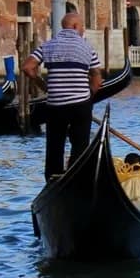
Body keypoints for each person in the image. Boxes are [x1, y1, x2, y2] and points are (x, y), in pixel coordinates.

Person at [23, 12, 102, 180]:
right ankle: (77, 177)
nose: (83, 30)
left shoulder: (48, 45)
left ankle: (53, 179)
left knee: (55, 146)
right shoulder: (87, 47)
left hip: (55, 105)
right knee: (80, 144)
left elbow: (27, 67)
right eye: (82, 26)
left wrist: (43, 85)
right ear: (75, 26)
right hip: (80, 104)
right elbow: (97, 77)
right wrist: (89, 96)